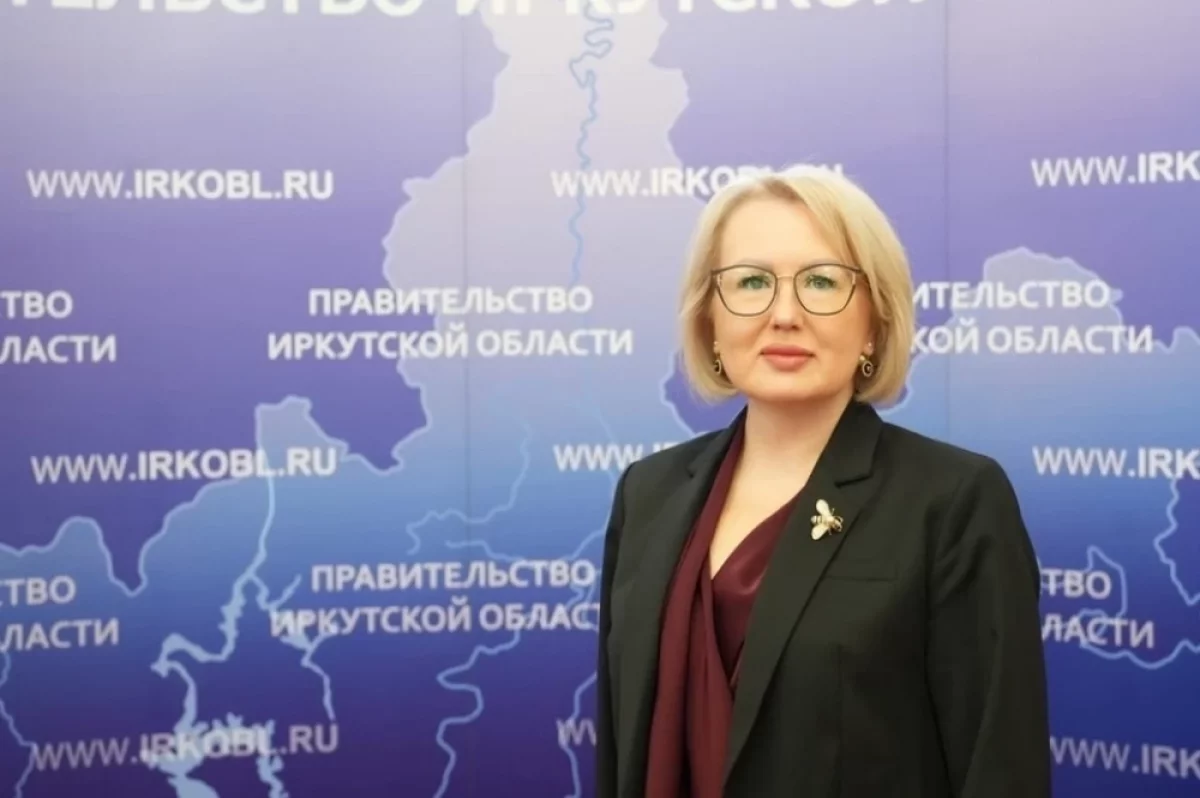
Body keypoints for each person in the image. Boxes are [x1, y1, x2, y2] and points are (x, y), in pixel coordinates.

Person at [593, 165, 1051, 798]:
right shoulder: (648, 493)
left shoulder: (953, 502)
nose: (784, 314)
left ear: (874, 321)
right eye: (751, 282)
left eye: (822, 282)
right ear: (709, 321)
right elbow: (622, 750)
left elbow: (1000, 768)